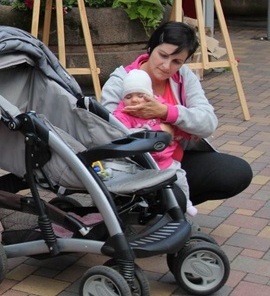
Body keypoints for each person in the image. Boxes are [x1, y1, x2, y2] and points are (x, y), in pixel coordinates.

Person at [101, 21, 253, 209]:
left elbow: (208, 123)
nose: (166, 66)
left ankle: (168, 204)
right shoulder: (121, 81)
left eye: (176, 61)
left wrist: (167, 113)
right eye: (162, 55)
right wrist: (158, 133)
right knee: (174, 198)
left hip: (174, 159)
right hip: (133, 166)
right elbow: (106, 133)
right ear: (151, 47)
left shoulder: (183, 77)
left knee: (236, 172)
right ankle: (145, 206)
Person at [112, 69, 197, 216]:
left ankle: (187, 202)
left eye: (140, 95)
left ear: (150, 96)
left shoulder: (158, 107)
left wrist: (184, 133)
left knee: (180, 178)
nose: (135, 100)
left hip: (165, 160)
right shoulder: (123, 115)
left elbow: (174, 123)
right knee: (148, 190)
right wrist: (159, 130)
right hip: (141, 164)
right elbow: (122, 134)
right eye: (129, 96)